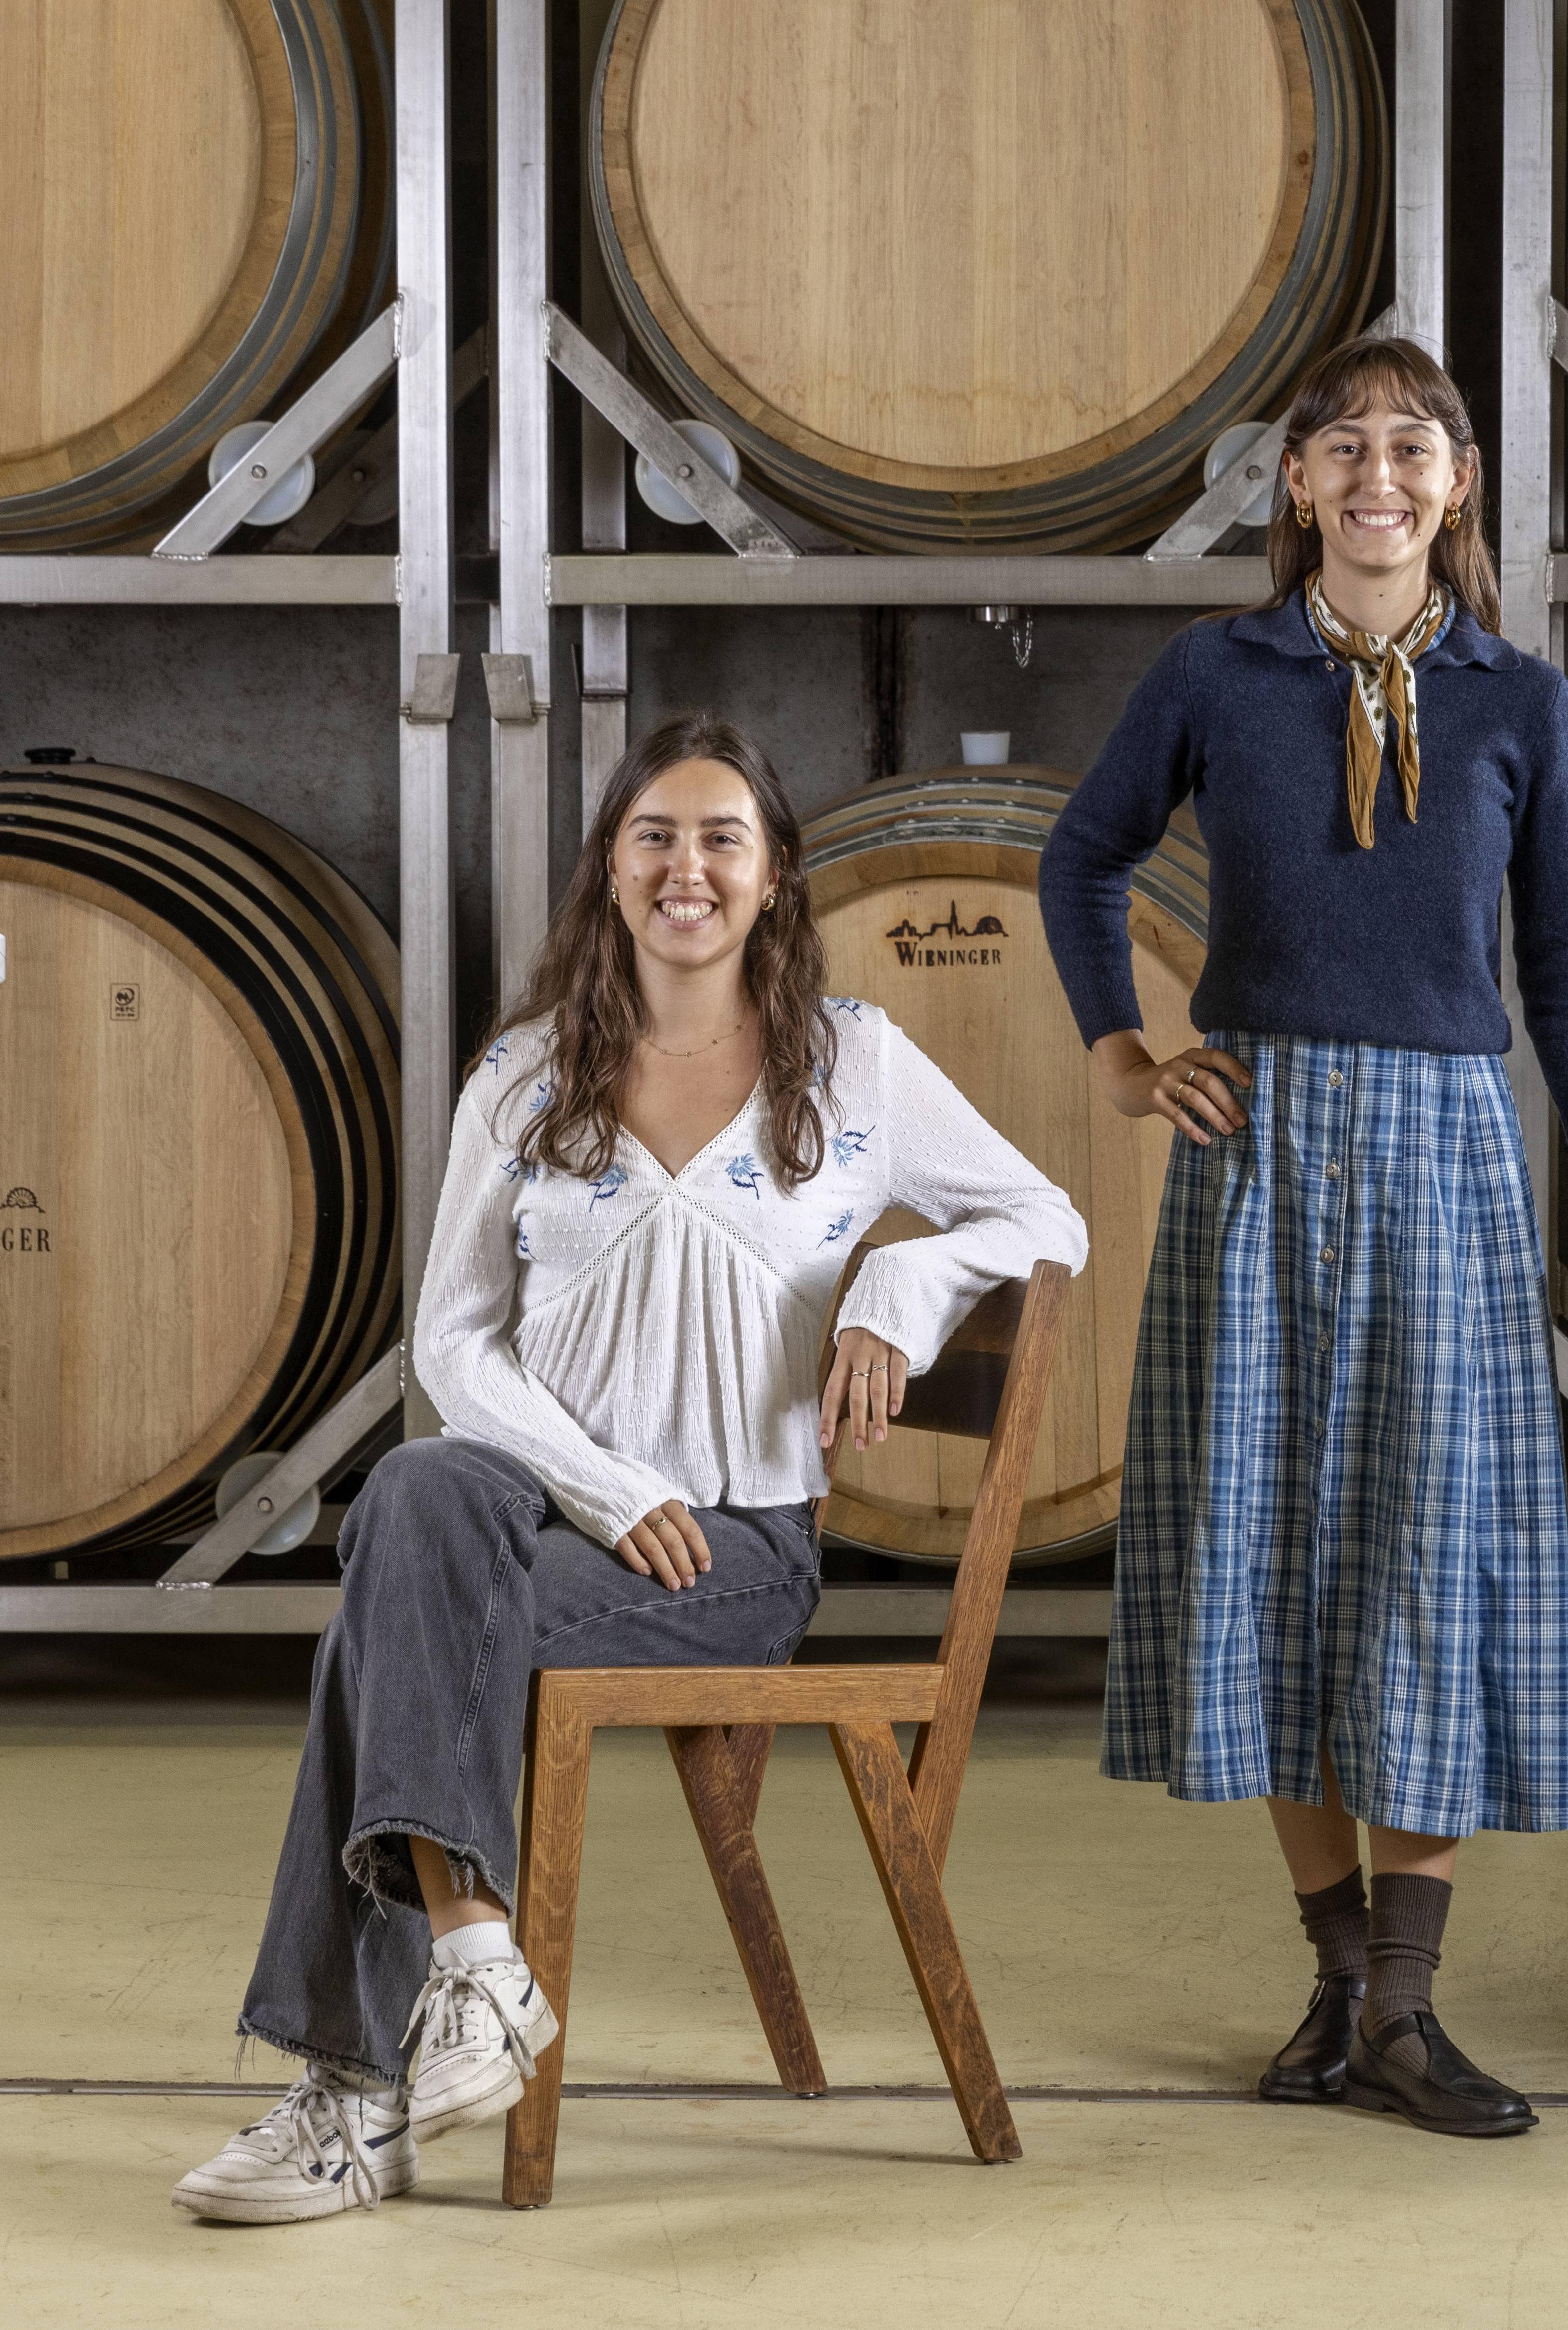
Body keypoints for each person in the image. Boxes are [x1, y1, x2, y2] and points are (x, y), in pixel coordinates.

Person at [179, 715, 1087, 2224]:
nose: (688, 868)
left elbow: (1046, 1217)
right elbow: (453, 1341)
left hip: (738, 1550)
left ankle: (358, 2089)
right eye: (655, 836)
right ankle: (477, 1966)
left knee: (387, 1627)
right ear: (611, 867)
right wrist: (607, 1488)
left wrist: (897, 1287)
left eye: (724, 838)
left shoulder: (853, 1062)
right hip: (552, 1517)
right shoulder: (527, 1074)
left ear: (774, 874)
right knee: (416, 1492)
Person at [1039, 333, 1568, 2141]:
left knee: (1429, 1547)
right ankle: (1340, 1985)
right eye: (1343, 445)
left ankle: (1404, 2000)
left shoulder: (1518, 700)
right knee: (1271, 1545)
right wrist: (1123, 1057)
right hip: (1254, 1146)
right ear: (1297, 482)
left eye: (1413, 446)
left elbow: (1567, 963)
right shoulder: (1214, 671)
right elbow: (1082, 858)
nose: (1378, 474)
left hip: (1448, 1152)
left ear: (1457, 483)